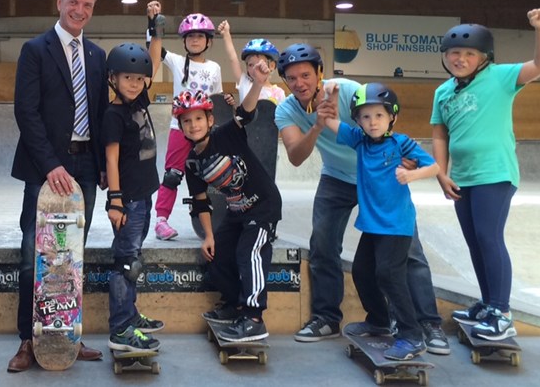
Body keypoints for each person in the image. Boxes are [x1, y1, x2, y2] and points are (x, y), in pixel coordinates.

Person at [273, 43, 450, 355]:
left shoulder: (347, 91)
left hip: (379, 179)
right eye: (291, 78)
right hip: (336, 178)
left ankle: (427, 323)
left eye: (305, 75)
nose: (299, 83)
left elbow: (382, 126)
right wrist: (316, 125)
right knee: (323, 244)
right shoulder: (286, 110)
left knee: (407, 250)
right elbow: (297, 156)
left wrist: (405, 160)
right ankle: (327, 318)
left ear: (319, 73)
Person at [8, 0, 109, 372]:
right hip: (44, 166)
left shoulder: (98, 56)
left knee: (72, 259)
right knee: (35, 255)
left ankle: (67, 336)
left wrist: (101, 167)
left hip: (85, 166)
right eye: (74, 2)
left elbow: (100, 115)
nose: (80, 10)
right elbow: (25, 112)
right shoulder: (35, 50)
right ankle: (27, 342)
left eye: (87, 5)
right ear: (59, 1)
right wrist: (50, 165)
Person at [431, 11, 540, 341]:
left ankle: (501, 313)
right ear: (445, 56)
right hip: (463, 178)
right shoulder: (443, 92)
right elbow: (439, 135)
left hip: (495, 175)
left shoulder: (501, 78)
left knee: (489, 237)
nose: (461, 59)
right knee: (474, 242)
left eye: (470, 54)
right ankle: (487, 303)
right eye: (454, 53)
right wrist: (442, 174)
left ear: (484, 58)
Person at [320, 82, 440, 360]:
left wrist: (412, 175)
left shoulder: (402, 143)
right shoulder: (359, 140)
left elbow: (434, 166)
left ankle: (411, 335)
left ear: (391, 117)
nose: (371, 122)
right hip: (373, 224)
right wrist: (333, 96)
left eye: (378, 115)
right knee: (362, 271)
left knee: (389, 275)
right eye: (364, 116)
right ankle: (379, 319)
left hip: (397, 224)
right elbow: (328, 120)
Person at [177, 52, 282, 343]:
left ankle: (253, 317)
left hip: (263, 207)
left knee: (249, 253)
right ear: (182, 127)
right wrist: (208, 236)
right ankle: (235, 304)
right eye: (187, 122)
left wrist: (258, 85)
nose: (194, 125)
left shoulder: (227, 135)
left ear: (209, 119)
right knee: (217, 255)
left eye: (199, 118)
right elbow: (201, 202)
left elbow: (245, 112)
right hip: (237, 211)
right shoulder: (192, 163)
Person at [102, 43, 165, 352]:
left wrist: (155, 28)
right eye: (127, 77)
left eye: (139, 79)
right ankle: (121, 328)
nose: (134, 83)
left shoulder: (139, 100)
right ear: (113, 78)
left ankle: (131, 316)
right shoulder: (114, 115)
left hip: (144, 194)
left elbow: (151, 64)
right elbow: (111, 160)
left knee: (134, 259)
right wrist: (115, 200)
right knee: (127, 263)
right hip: (127, 199)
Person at [146, 1, 224, 240]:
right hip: (179, 127)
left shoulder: (215, 67)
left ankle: (210, 218)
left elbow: (217, 99)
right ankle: (161, 221)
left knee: (211, 175)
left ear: (209, 41)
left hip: (205, 129)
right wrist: (153, 23)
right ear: (184, 41)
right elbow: (155, 50)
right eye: (190, 37)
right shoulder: (178, 62)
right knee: (172, 174)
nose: (195, 40)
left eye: (200, 36)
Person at [218, 28, 286, 179]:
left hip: (267, 147)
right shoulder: (245, 83)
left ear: (272, 66)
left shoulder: (279, 93)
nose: (254, 68)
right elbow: (233, 59)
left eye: (259, 63)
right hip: (244, 143)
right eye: (250, 65)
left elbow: (283, 122)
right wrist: (226, 34)